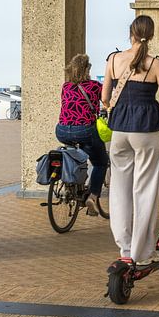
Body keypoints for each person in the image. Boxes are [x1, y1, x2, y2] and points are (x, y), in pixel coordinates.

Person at [102, 15, 159, 266]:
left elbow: (105, 98)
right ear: (150, 35)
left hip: (120, 130)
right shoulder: (155, 64)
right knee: (144, 190)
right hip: (146, 131)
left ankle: (125, 247)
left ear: (130, 32)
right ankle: (142, 253)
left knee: (120, 189)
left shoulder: (112, 60)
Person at [55, 53, 107, 216]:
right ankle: (92, 196)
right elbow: (107, 102)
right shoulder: (95, 86)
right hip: (84, 130)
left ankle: (73, 185)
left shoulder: (66, 86)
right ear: (87, 69)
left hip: (62, 130)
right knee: (100, 162)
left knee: (76, 153)